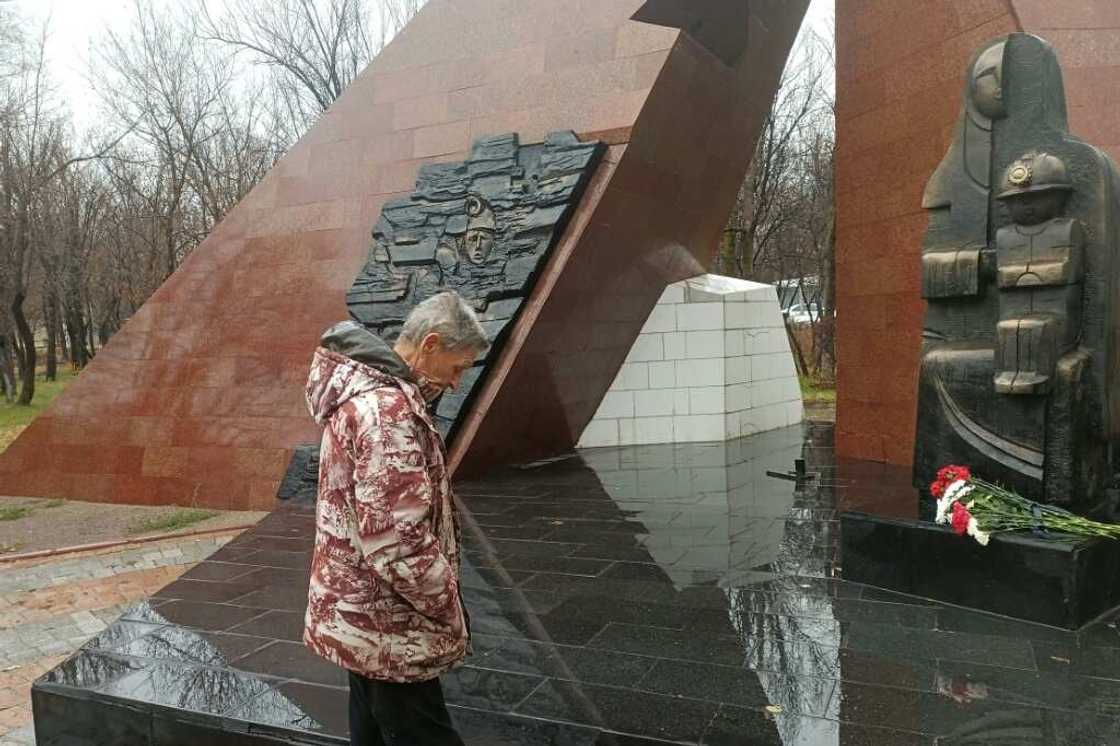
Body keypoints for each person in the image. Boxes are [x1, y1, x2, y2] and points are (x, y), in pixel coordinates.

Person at [303, 291, 489, 746]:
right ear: (429, 345)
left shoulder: (363, 395)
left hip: (360, 615)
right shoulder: (386, 414)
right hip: (389, 626)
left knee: (371, 731)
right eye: (457, 366)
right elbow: (398, 544)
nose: (456, 382)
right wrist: (448, 606)